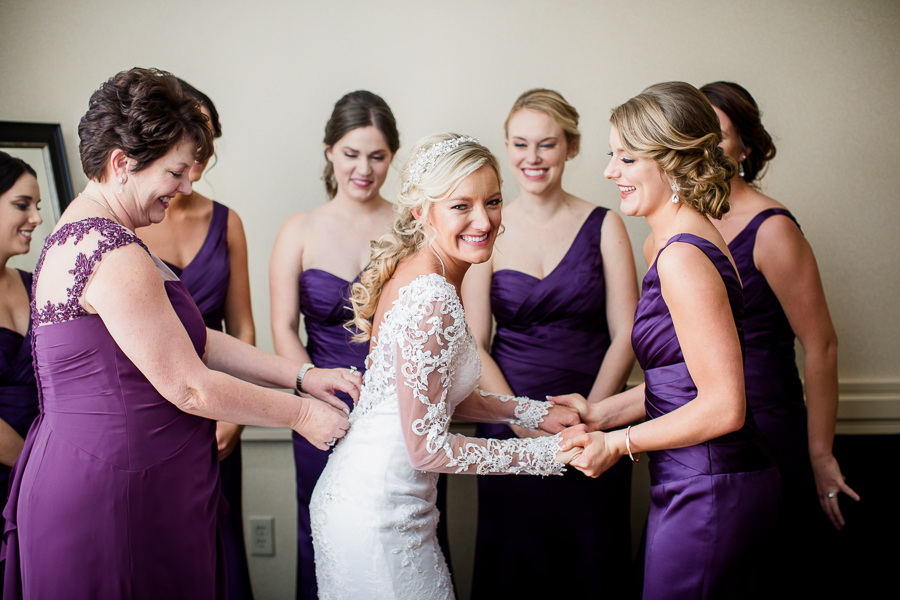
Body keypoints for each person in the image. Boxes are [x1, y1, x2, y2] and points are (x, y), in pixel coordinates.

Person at [0, 68, 360, 600]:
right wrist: (303, 414)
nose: (188, 186)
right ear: (122, 164)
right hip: (110, 492)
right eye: (175, 172)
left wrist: (303, 375)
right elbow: (190, 385)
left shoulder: (96, 232)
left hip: (117, 477)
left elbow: (198, 341)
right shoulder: (110, 251)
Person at [310, 134, 581, 600]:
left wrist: (534, 414)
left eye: (493, 201)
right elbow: (427, 448)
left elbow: (435, 397)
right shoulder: (432, 295)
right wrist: (545, 456)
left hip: (378, 499)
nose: (484, 220)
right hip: (379, 513)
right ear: (422, 212)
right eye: (461, 206)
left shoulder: (423, 275)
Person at [556, 82, 781, 599]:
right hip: (696, 478)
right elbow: (681, 378)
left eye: (626, 158)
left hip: (710, 485)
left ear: (673, 161)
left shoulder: (681, 255)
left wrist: (617, 443)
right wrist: (599, 413)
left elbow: (724, 406)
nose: (611, 171)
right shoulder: (671, 241)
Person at [461, 89, 638, 597]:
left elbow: (626, 331)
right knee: (515, 565)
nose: (532, 158)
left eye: (547, 144)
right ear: (507, 148)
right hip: (509, 426)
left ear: (571, 148)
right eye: (520, 144)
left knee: (590, 562)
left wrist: (591, 419)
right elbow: (476, 342)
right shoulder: (485, 230)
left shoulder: (606, 226)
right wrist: (520, 420)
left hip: (593, 424)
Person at [700, 80, 858, 594]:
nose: (705, 148)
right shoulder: (681, 225)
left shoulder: (772, 229)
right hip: (697, 424)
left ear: (745, 146)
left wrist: (820, 453)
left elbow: (822, 345)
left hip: (766, 423)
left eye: (718, 135)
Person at [268, 90, 404, 599]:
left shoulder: (411, 229)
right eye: (351, 154)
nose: (363, 168)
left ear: (392, 155)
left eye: (377, 155)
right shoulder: (298, 230)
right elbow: (282, 327)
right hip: (319, 405)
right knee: (324, 536)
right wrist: (315, 395)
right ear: (330, 151)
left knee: (401, 536)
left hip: (396, 406)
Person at [137, 78, 255, 600]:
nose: (198, 158)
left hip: (220, 412)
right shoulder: (127, 225)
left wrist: (234, 417)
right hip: (152, 410)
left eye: (207, 145)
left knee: (220, 550)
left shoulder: (226, 221)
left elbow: (242, 327)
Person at [0, 152, 42, 537]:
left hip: (44, 472)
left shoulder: (36, 283)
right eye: (22, 205)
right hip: (19, 472)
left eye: (37, 206)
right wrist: (33, 472)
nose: (37, 218)